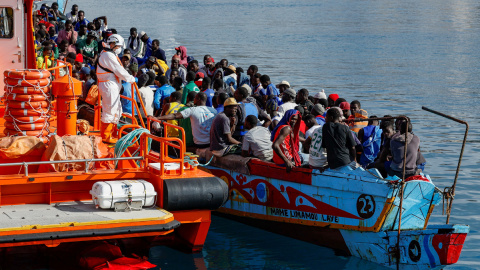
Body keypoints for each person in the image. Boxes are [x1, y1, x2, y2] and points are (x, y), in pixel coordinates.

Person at [96, 34, 135, 143]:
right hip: (109, 86)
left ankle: (112, 133)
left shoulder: (108, 54)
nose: (119, 49)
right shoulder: (108, 55)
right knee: (110, 111)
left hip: (111, 85)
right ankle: (106, 136)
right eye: (118, 46)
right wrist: (131, 78)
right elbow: (119, 70)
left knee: (117, 110)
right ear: (112, 44)